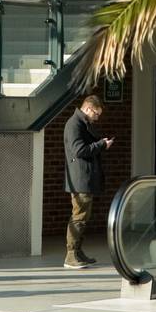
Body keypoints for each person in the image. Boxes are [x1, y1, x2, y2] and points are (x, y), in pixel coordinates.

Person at [63, 94, 112, 270]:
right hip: (80, 179)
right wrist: (101, 145)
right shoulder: (74, 124)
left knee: (83, 216)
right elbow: (79, 150)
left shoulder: (82, 123)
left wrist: (100, 143)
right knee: (79, 217)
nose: (97, 118)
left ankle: (77, 252)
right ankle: (71, 254)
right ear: (89, 109)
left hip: (84, 177)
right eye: (96, 114)